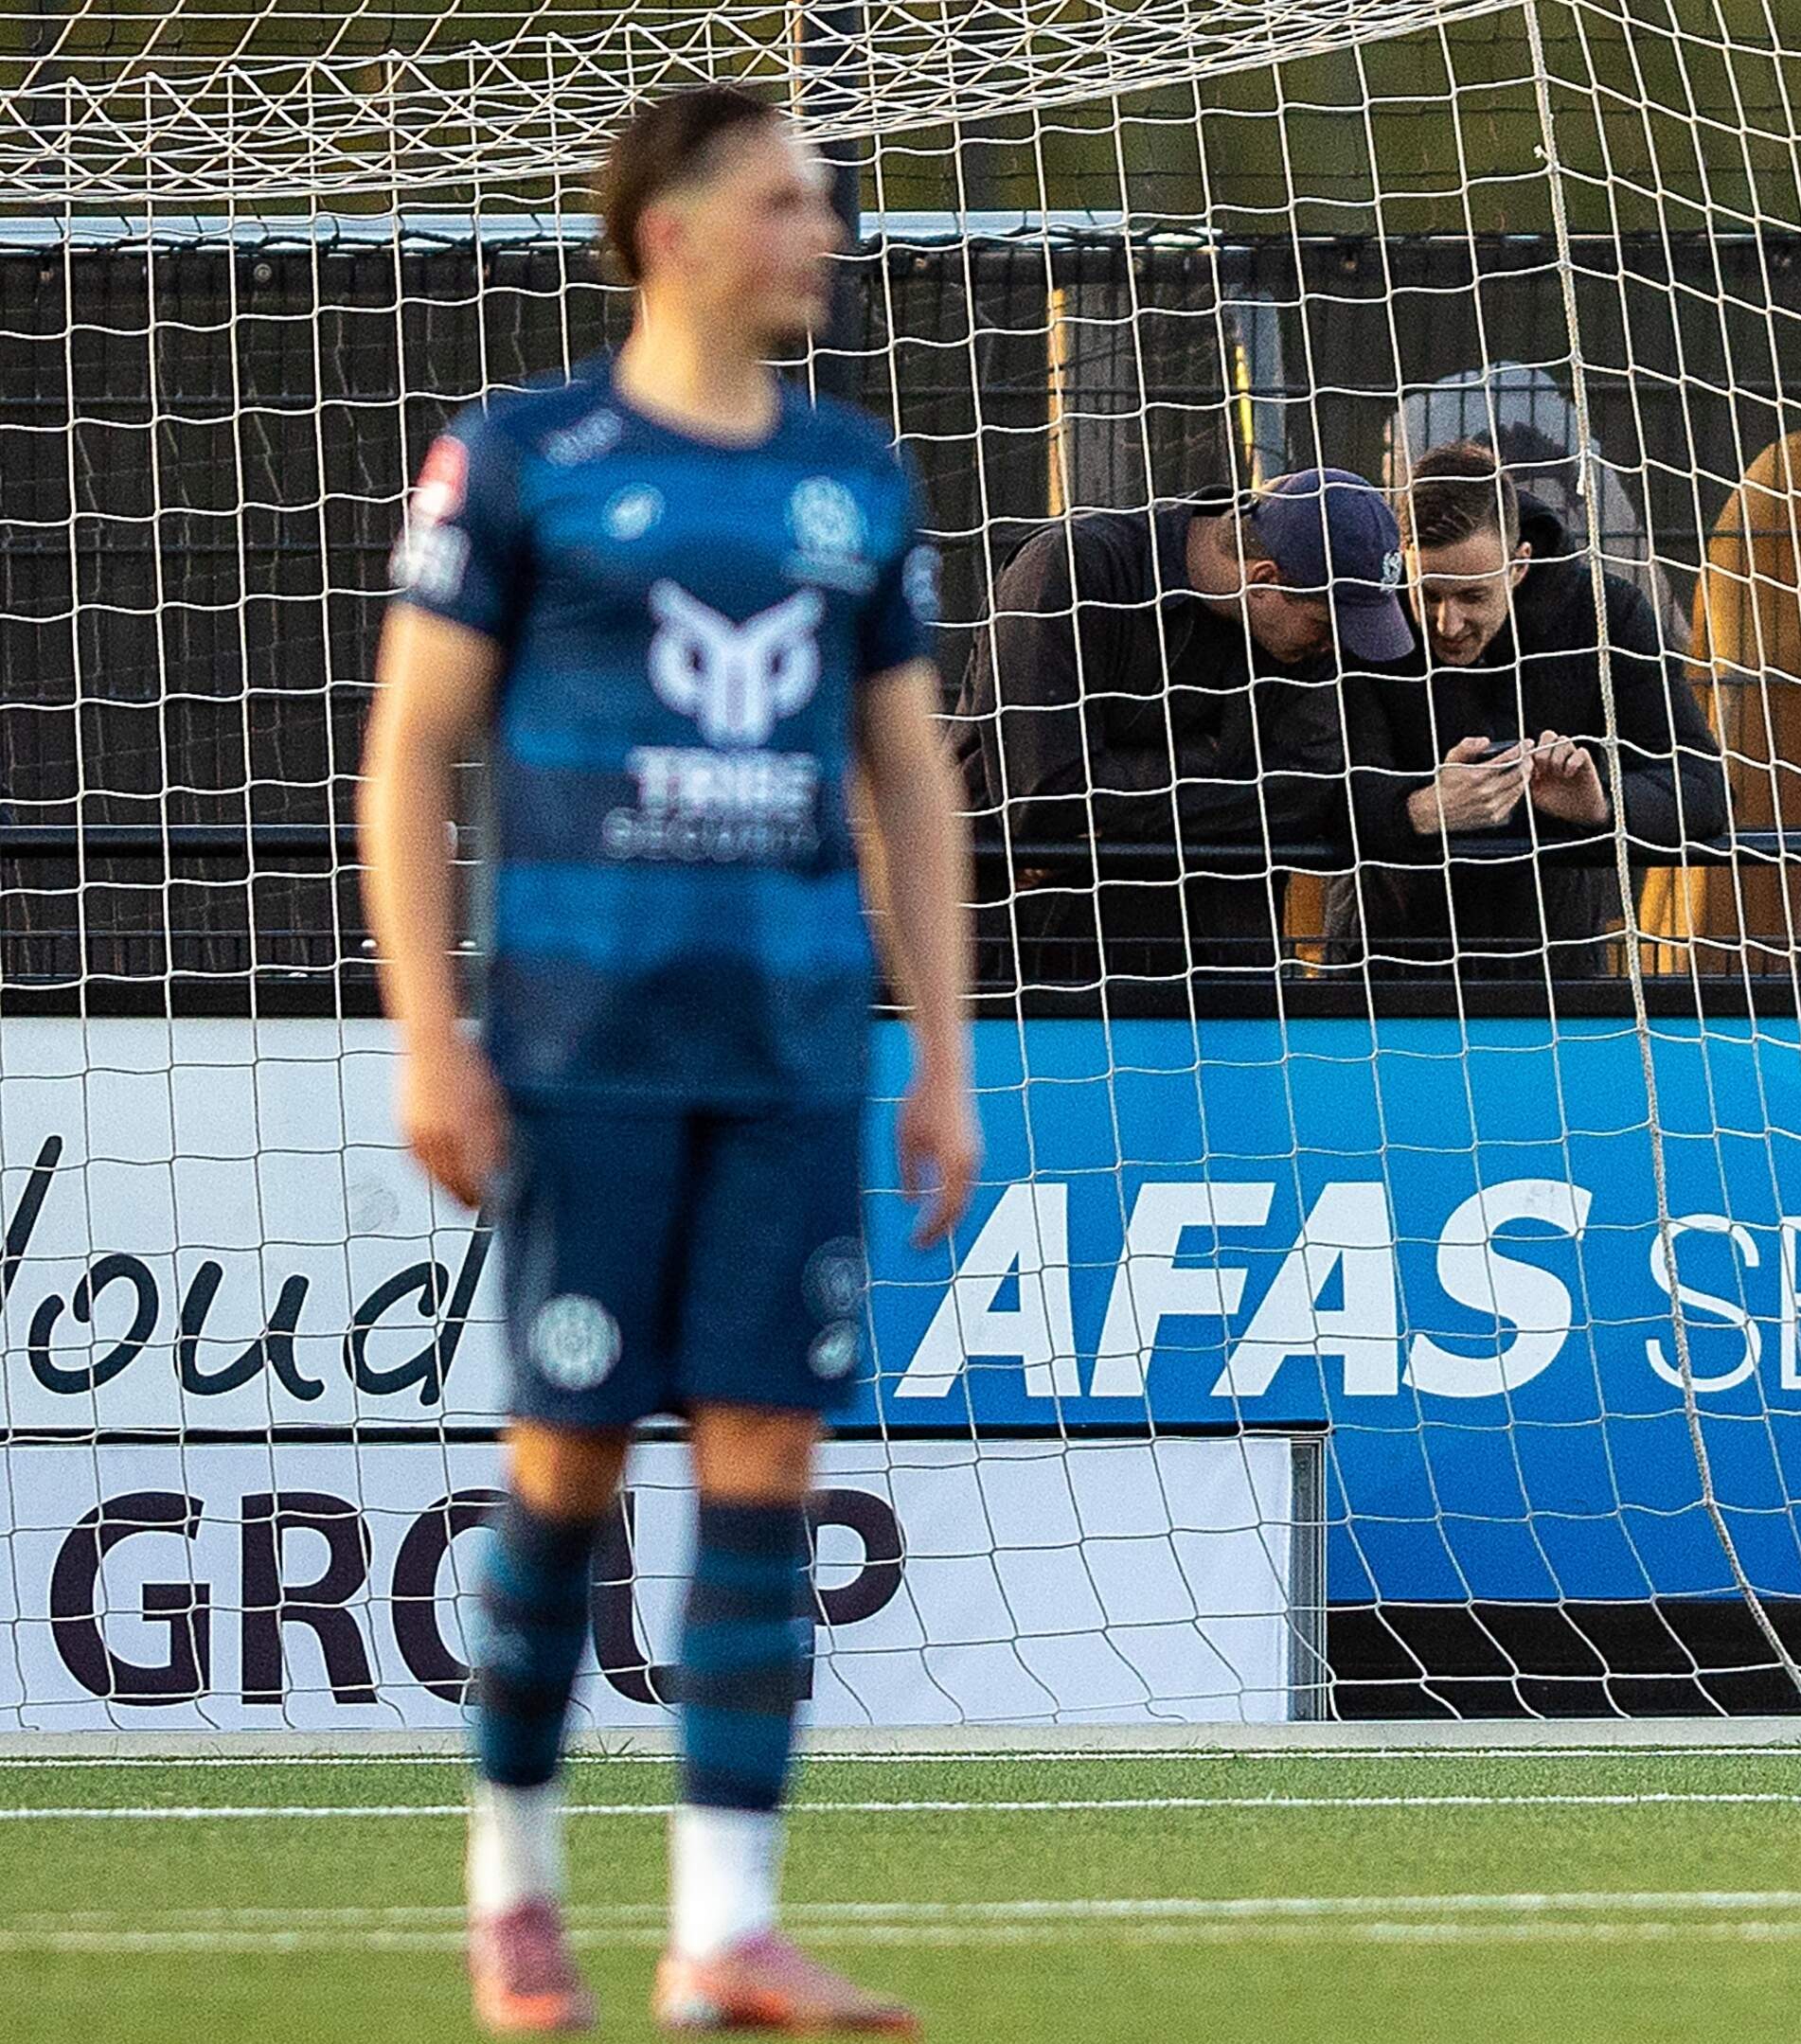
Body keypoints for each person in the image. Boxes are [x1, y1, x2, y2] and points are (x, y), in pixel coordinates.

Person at [360, 86, 975, 2035]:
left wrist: (942, 1051)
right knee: (568, 1462)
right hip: (585, 1055)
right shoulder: (523, 458)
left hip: (790, 1054)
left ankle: (724, 1928)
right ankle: (516, 1888)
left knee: (770, 1456)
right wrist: (431, 1035)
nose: (827, 233)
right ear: (676, 232)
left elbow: (908, 776)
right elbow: (409, 748)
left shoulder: (852, 475)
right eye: (789, 201)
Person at [953, 467, 1414, 983]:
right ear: (1264, 580)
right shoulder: (1074, 568)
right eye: (1325, 626)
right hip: (1039, 962)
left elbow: (1309, 789)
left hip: (1224, 968)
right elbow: (1044, 799)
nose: (1334, 648)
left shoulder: (1297, 642)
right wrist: (1219, 761)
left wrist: (1111, 812)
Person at [1334, 441, 1725, 974]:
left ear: (1519, 565)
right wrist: (1419, 809)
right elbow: (1312, 786)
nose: (1447, 624)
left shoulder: (1604, 615)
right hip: (1384, 964)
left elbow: (1702, 787)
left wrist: (1600, 803)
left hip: (1553, 967)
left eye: (1473, 597)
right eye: (1429, 595)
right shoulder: (1369, 614)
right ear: (1404, 563)